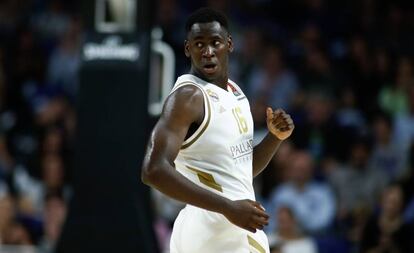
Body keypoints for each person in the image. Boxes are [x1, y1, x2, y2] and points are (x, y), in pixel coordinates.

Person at [141, 8, 294, 253]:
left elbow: (239, 171)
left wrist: (274, 138)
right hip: (217, 228)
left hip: (214, 226)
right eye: (199, 44)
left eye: (215, 43)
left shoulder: (235, 91)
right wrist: (228, 207)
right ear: (187, 49)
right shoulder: (188, 97)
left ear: (229, 44)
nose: (208, 52)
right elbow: (153, 169)